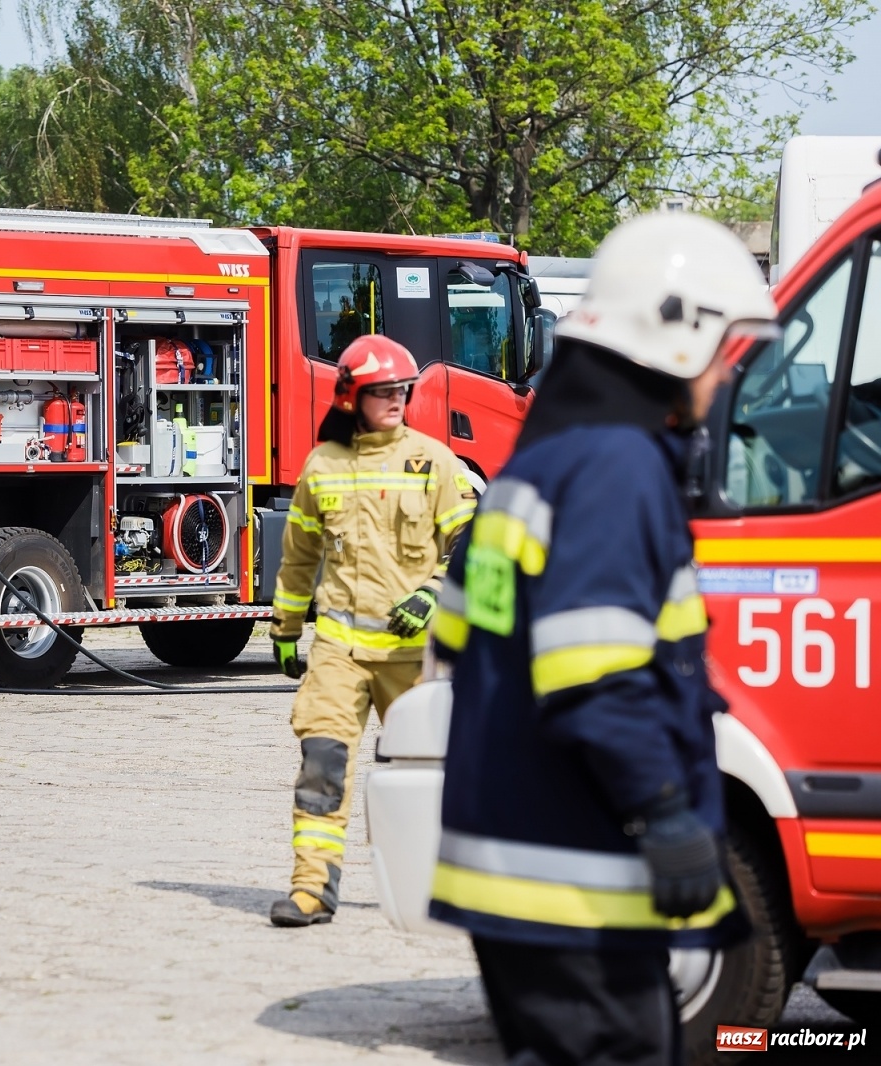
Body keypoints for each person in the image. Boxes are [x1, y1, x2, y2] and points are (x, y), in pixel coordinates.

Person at [428, 213, 778, 1064]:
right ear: (679, 334)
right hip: (575, 879)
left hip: (517, 871)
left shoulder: (541, 465)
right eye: (732, 347)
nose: (733, 373)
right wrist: (664, 808)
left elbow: (455, 633)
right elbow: (597, 674)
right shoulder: (617, 467)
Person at [269, 335, 477, 927]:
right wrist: (285, 628)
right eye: (382, 391)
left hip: (413, 655)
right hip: (339, 650)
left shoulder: (433, 461)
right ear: (350, 398)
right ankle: (312, 889)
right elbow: (299, 558)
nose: (396, 400)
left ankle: (453, 887)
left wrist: (433, 593)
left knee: (436, 772)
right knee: (322, 762)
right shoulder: (323, 467)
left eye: (402, 390)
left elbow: (469, 544)